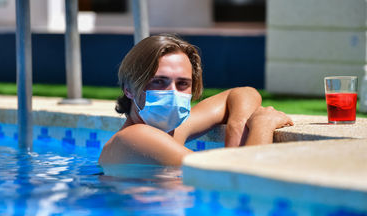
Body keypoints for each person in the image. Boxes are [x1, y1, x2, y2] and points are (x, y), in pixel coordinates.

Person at [99, 34, 293, 168]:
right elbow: (240, 178)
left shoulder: (171, 132)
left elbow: (243, 93)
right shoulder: (134, 136)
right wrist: (262, 125)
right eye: (158, 82)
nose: (173, 93)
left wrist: (237, 127)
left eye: (182, 83)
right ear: (129, 90)